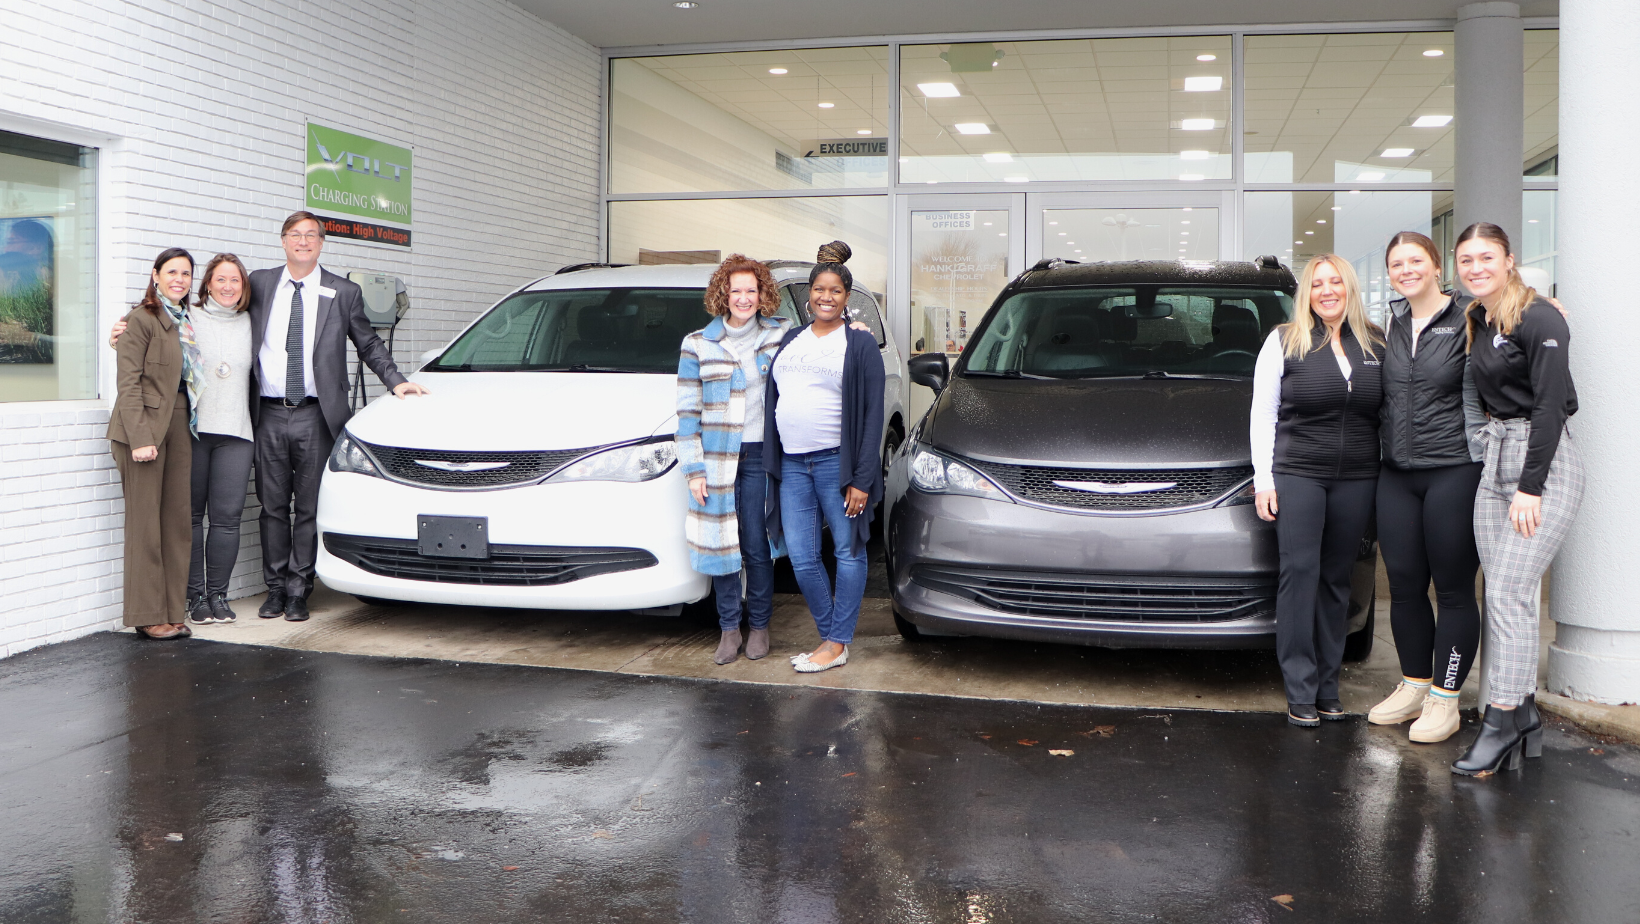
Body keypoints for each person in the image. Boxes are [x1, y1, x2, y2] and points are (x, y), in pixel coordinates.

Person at [248, 212, 427, 622]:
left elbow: (368, 343)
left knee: (308, 508)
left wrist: (396, 381)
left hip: (317, 416)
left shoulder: (343, 291)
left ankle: (298, 591)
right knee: (272, 507)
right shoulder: (259, 283)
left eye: (312, 235)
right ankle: (274, 589)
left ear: (322, 243)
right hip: (268, 413)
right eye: (296, 234)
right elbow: (217, 310)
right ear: (283, 241)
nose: (303, 241)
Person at [1451, 222, 1582, 776]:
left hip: (1541, 463)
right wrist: (1488, 446)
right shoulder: (1477, 318)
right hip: (1497, 455)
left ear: (1509, 260)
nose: (1476, 267)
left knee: (1507, 592)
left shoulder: (1540, 316)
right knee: (1506, 595)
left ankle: (1501, 720)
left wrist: (1531, 486)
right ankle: (1523, 710)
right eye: (1466, 260)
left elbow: (1551, 406)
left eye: (1487, 257)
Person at [1251, 254, 1384, 727]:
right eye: (1317, 284)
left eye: (1336, 283)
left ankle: (1329, 686)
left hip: (1359, 477)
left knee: (1337, 581)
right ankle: (1300, 688)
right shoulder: (1284, 341)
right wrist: (1264, 479)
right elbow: (1263, 414)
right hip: (1299, 473)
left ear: (1349, 287)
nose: (1327, 291)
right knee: (1300, 575)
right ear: (1305, 293)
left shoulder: (1376, 342)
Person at [1364, 232, 1485, 743]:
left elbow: (1521, 318)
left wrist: (1549, 306)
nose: (1406, 269)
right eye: (1397, 263)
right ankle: (1415, 683)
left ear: (1438, 267)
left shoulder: (1472, 319)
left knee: (1454, 589)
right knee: (1406, 586)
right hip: (1396, 475)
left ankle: (1446, 699)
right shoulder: (1386, 326)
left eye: (1416, 260)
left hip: (1453, 470)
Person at [764, 242, 884, 673]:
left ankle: (834, 644)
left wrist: (863, 478)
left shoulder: (859, 344)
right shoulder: (792, 338)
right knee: (800, 555)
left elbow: (872, 417)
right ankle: (833, 636)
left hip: (838, 464)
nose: (826, 297)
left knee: (849, 552)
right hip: (793, 465)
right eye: (819, 289)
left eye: (835, 290)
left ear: (846, 297)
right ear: (809, 294)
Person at [676, 255, 792, 664]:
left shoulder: (781, 338)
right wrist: (693, 470)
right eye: (736, 290)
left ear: (763, 295)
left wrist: (855, 329)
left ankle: (759, 626)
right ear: (723, 294)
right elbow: (687, 414)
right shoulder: (697, 344)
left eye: (751, 290)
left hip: (762, 456)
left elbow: (824, 346)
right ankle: (729, 628)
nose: (743, 298)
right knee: (722, 545)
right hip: (716, 461)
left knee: (757, 546)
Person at [108, 248, 200, 640]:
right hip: (141, 429)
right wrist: (141, 439)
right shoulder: (140, 319)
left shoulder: (185, 321)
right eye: (172, 272)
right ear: (155, 275)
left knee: (176, 523)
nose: (179, 279)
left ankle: (172, 610)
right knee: (146, 525)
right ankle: (148, 615)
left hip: (179, 424)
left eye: (186, 273)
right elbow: (128, 384)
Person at [184, 254, 256, 625]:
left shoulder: (253, 322)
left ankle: (218, 595)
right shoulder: (187, 317)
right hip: (194, 432)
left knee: (227, 519)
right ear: (207, 283)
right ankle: (195, 597)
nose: (228, 287)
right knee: (192, 518)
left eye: (236, 281)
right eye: (221, 279)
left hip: (237, 434)